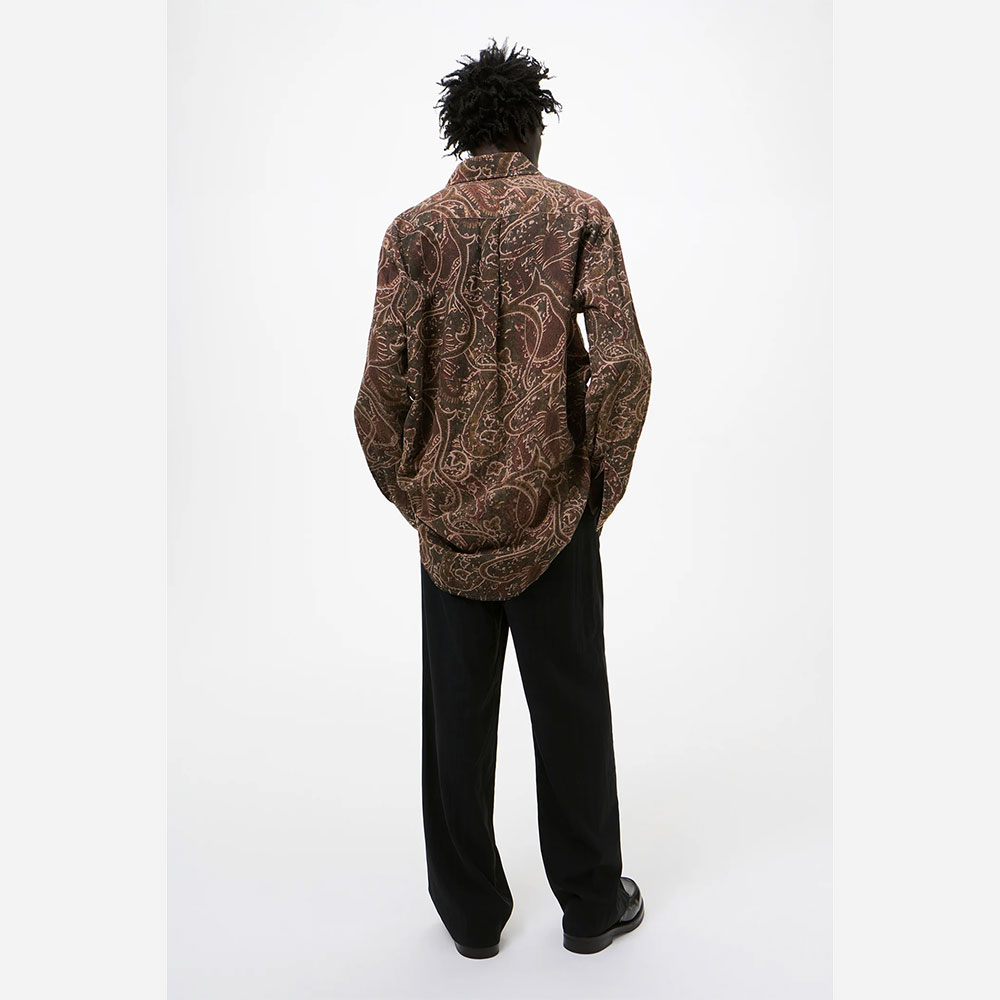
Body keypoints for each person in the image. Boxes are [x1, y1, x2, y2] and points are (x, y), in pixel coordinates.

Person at [353, 37, 653, 958]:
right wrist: (595, 486)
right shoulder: (578, 216)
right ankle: (591, 908)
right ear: (532, 127)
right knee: (572, 710)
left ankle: (473, 919)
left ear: (462, 130)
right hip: (554, 511)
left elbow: (379, 392)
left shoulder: (412, 233)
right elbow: (623, 365)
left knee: (456, 722)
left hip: (447, 524)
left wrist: (417, 494)